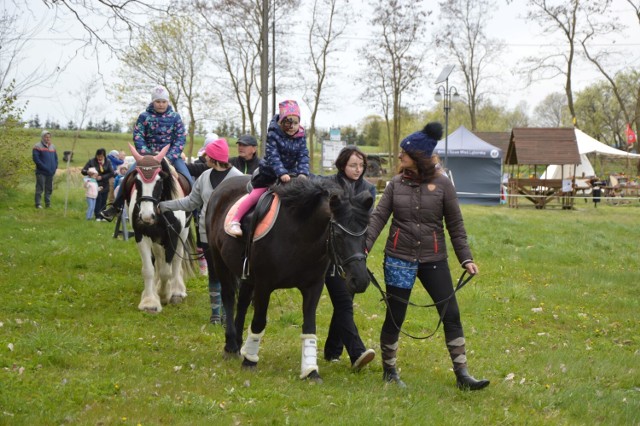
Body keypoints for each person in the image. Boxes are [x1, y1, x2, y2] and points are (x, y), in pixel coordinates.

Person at [366, 122, 490, 391]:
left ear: (419, 157)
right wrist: (362, 249)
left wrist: (465, 258)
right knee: (395, 316)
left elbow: (456, 226)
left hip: (434, 258)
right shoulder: (395, 184)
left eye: (405, 153)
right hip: (398, 258)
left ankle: (463, 374)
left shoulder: (444, 184)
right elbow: (377, 219)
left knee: (452, 313)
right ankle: (389, 371)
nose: (400, 156)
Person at [157, 139, 244, 324]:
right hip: (207, 234)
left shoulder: (238, 178)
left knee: (230, 275)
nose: (204, 159)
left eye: (207, 156)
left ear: (213, 158)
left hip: (230, 236)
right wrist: (164, 205)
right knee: (214, 273)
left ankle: (228, 313)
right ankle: (215, 314)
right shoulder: (204, 177)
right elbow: (190, 202)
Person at [323, 146, 377, 371]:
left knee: (343, 302)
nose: (358, 169)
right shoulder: (328, 186)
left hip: (353, 255)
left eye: (361, 165)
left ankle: (332, 351)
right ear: (342, 164)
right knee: (344, 302)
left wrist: (363, 251)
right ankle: (357, 352)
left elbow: (366, 223)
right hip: (330, 253)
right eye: (353, 165)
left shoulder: (369, 189)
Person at [101, 85, 189, 221]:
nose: (161, 104)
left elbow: (180, 138)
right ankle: (115, 207)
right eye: (158, 101)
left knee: (188, 179)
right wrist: (147, 156)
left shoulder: (176, 117)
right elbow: (138, 136)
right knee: (127, 177)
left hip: (171, 157)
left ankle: (195, 211)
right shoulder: (144, 117)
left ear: (168, 102)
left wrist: (170, 156)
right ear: (153, 102)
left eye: (163, 101)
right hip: (148, 157)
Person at [226, 100, 309, 237]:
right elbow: (273, 155)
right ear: (282, 122)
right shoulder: (273, 134)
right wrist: (281, 172)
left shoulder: (300, 136)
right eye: (289, 122)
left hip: (292, 174)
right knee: (257, 194)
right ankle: (235, 220)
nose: (293, 126)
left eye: (296, 122)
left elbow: (303, 155)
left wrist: (302, 173)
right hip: (270, 172)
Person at [81, 148, 114, 221]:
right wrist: (88, 172)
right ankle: (98, 216)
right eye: (98, 156)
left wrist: (102, 177)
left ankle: (103, 216)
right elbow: (83, 171)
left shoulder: (107, 162)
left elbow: (112, 173)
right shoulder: (91, 161)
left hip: (105, 184)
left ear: (104, 156)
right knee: (98, 200)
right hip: (95, 184)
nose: (99, 158)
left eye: (101, 156)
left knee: (104, 200)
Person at [32, 129, 58, 208]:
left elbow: (56, 158)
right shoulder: (37, 146)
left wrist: (55, 167)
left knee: (49, 189)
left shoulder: (53, 146)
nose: (48, 139)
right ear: (42, 137)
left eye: (49, 137)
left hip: (51, 172)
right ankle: (38, 204)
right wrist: (45, 168)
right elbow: (36, 159)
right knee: (40, 188)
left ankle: (48, 204)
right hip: (41, 172)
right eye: (46, 137)